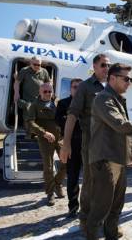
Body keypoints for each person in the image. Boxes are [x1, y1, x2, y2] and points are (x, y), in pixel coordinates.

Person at [86, 63, 132, 240]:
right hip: (105, 159)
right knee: (101, 206)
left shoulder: (117, 99)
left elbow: (123, 132)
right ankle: (92, 236)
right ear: (112, 78)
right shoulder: (103, 98)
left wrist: (130, 154)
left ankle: (111, 233)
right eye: (126, 79)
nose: (130, 82)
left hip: (118, 159)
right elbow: (120, 125)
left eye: (131, 79)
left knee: (117, 203)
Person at [59, 54, 110, 229]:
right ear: (94, 66)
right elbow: (72, 115)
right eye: (103, 65)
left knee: (105, 182)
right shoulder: (85, 87)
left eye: (108, 65)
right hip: (90, 143)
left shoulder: (109, 87)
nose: (106, 68)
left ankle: (100, 218)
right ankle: (85, 219)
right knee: (89, 181)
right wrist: (65, 144)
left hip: (108, 143)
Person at [28, 82, 66, 206]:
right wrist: (44, 133)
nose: (48, 94)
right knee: (48, 167)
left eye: (50, 91)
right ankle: (50, 193)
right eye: (45, 91)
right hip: (45, 139)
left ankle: (58, 184)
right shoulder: (34, 105)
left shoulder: (57, 103)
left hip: (60, 137)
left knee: (66, 162)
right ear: (40, 92)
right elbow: (30, 123)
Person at [55, 78, 83, 218]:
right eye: (74, 87)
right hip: (71, 144)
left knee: (91, 178)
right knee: (72, 176)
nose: (76, 89)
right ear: (70, 88)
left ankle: (88, 206)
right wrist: (72, 119)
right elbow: (59, 120)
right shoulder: (63, 103)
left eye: (79, 87)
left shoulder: (89, 103)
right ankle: (73, 207)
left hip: (88, 144)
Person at [14, 56, 50, 133]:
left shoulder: (44, 72)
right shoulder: (24, 70)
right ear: (31, 63)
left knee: (40, 120)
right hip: (28, 100)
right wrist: (16, 93)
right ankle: (28, 133)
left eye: (39, 65)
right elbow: (17, 82)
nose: (37, 66)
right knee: (28, 119)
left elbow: (48, 85)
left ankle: (36, 134)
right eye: (35, 64)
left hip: (40, 100)